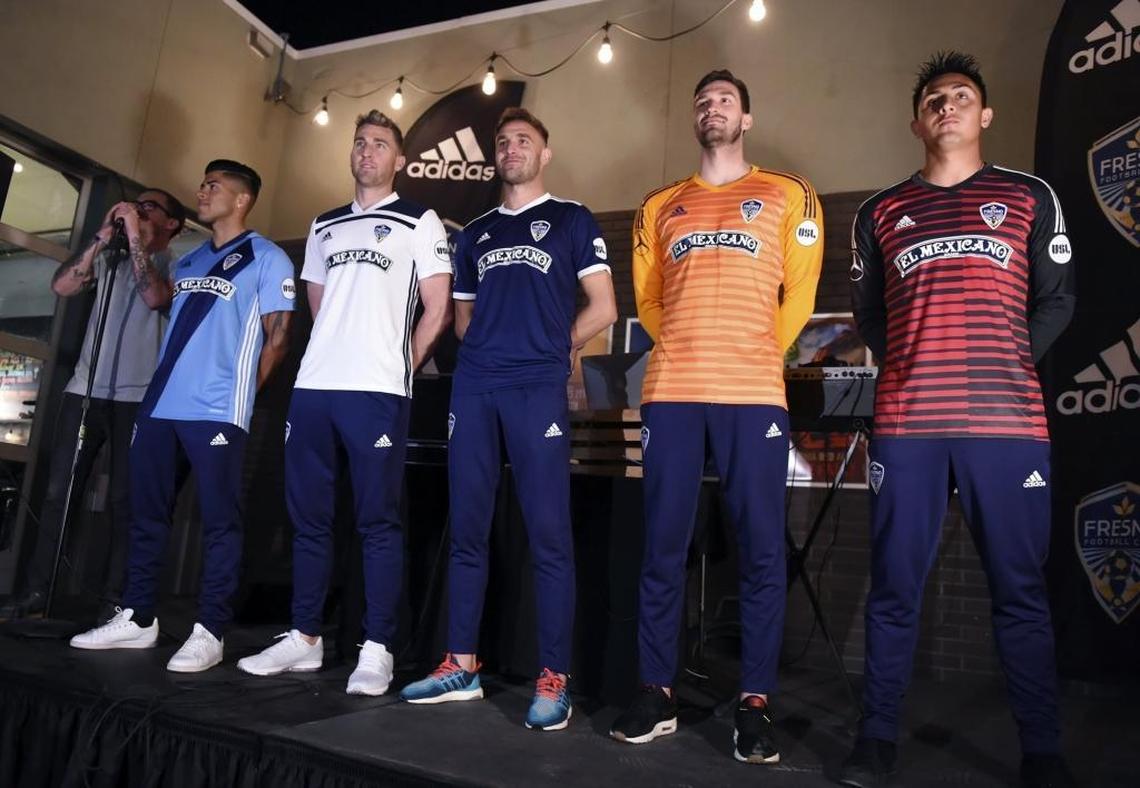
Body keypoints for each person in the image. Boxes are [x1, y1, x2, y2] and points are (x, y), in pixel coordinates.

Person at [840, 52, 1076, 788]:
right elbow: (869, 315)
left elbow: (1058, 299)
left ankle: (1043, 753)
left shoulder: (1029, 195)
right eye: (934, 99)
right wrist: (915, 361)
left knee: (1020, 592)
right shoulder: (879, 212)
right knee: (893, 590)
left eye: (962, 96)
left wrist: (1005, 360)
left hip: (1007, 428)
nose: (947, 105)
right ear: (917, 122)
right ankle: (875, 741)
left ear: (985, 115)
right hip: (908, 426)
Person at [609, 69, 823, 765]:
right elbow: (648, 300)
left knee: (760, 551)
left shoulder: (789, 193)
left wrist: (754, 348)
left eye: (726, 99)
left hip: (753, 391)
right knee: (662, 548)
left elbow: (800, 294)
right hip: (673, 388)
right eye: (703, 101)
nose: (712, 107)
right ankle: (656, 691)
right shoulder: (659, 205)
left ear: (746, 118)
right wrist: (689, 344)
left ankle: (754, 703)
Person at [399, 107, 617, 730]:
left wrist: (551, 348)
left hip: (535, 388)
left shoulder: (571, 218)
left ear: (544, 154)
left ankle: (554, 677)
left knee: (548, 534)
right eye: (502, 141)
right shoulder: (476, 233)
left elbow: (604, 307)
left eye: (524, 140)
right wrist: (493, 354)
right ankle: (460, 665)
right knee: (467, 529)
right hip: (476, 387)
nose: (511, 147)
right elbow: (463, 319)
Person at [236, 111, 452, 695]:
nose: (367, 151)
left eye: (380, 144)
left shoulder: (418, 219)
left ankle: (377, 647)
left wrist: (400, 365)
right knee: (309, 518)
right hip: (314, 387)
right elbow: (319, 301)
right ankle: (305, 636)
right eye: (360, 143)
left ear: (399, 160)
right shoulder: (324, 224)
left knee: (377, 520)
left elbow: (438, 307)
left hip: (377, 390)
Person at [68, 160, 296, 673]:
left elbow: (279, 339)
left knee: (219, 521)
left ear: (242, 199)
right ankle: (138, 615)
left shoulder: (268, 258)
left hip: (215, 410)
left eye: (214, 185)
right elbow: (160, 305)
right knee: (145, 511)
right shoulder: (190, 260)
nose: (203, 191)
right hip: (161, 404)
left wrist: (239, 397)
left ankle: (210, 629)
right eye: (203, 183)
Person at [0, 189, 183, 621]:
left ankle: (116, 600)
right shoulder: (111, 258)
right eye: (135, 204)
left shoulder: (176, 263)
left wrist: (135, 236)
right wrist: (101, 237)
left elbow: (156, 298)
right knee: (58, 494)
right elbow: (62, 285)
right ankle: (38, 591)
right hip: (85, 390)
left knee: (124, 499)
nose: (138, 210)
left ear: (172, 223)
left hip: (137, 397)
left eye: (150, 207)